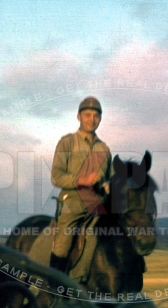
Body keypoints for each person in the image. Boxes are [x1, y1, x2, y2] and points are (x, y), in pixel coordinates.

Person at [49, 96, 112, 275]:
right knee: (64, 239)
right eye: (87, 115)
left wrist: (108, 185)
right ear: (78, 117)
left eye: (96, 116)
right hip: (73, 201)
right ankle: (55, 286)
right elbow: (56, 176)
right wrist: (81, 181)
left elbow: (111, 178)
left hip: (98, 203)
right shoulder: (67, 142)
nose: (92, 120)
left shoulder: (104, 149)